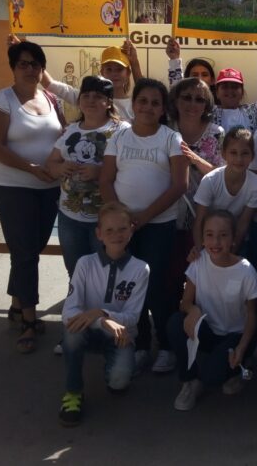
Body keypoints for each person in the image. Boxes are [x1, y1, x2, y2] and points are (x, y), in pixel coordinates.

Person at [100, 78, 188, 374]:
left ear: (163, 109)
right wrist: (121, 220)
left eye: (155, 102)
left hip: (158, 225)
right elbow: (105, 179)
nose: (148, 107)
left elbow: (179, 186)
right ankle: (139, 344)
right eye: (142, 101)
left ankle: (164, 346)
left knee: (157, 287)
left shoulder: (170, 138)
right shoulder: (120, 137)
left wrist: (145, 217)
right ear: (133, 104)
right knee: (128, 288)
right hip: (124, 229)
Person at [0, 40, 62, 354]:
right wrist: (31, 169)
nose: (30, 69)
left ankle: (17, 303)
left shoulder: (50, 99)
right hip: (12, 187)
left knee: (32, 246)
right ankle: (30, 321)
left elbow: (63, 135)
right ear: (13, 68)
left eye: (35, 64)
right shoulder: (1, 100)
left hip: (48, 187)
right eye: (23, 64)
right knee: (26, 252)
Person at [58, 202, 149, 427]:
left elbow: (133, 317)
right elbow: (69, 311)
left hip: (120, 335)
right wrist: (101, 320)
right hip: (90, 329)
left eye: (122, 229)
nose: (116, 235)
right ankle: (73, 392)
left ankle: (113, 364)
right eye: (109, 230)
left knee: (118, 383)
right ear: (99, 234)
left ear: (131, 230)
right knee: (72, 331)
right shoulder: (85, 264)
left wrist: (101, 313)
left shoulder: (140, 269)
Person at [167, 210, 257, 411]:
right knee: (176, 323)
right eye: (209, 234)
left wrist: (241, 347)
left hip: (234, 335)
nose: (216, 241)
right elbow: (185, 302)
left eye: (223, 235)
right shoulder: (199, 261)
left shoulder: (246, 271)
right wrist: (192, 310)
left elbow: (253, 316)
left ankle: (240, 366)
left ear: (233, 238)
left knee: (212, 377)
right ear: (202, 238)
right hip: (208, 330)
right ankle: (189, 381)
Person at [46, 76, 128, 278]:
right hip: (69, 217)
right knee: (75, 272)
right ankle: (79, 308)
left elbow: (131, 169)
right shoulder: (70, 131)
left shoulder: (122, 130)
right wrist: (61, 168)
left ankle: (103, 310)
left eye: (98, 96)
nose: (91, 100)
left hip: (107, 219)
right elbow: (50, 164)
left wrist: (101, 173)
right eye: (86, 95)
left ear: (108, 102)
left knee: (107, 272)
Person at [165, 77, 223, 311]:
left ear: (207, 105)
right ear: (176, 100)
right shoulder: (165, 129)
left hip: (201, 213)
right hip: (165, 208)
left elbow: (222, 174)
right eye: (186, 97)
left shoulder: (216, 133)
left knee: (196, 271)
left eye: (200, 99)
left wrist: (195, 159)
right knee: (168, 272)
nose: (192, 104)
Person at [192, 127, 257, 255]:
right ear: (224, 154)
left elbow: (243, 224)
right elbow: (199, 222)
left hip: (235, 241)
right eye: (233, 153)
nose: (239, 159)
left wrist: (229, 255)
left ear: (252, 156)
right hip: (209, 240)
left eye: (245, 153)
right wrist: (202, 252)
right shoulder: (210, 180)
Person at [43, 41, 142, 122]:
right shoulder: (89, 98)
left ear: (128, 73)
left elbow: (146, 89)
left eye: (119, 69)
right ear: (102, 72)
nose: (114, 73)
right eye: (109, 69)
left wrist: (135, 63)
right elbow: (50, 84)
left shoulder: (137, 104)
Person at [212, 67, 257, 133]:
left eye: (235, 87)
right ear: (217, 93)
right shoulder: (209, 113)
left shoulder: (253, 111)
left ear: (242, 92)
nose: (230, 90)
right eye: (225, 87)